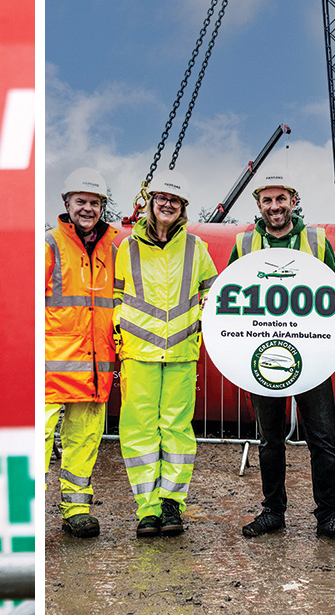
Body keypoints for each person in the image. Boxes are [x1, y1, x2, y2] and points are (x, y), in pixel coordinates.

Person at [231, 174, 335, 543]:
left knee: (322, 439)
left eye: (281, 198)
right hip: (262, 356)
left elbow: (334, 291)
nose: (275, 206)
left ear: (293, 199)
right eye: (268, 200)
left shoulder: (316, 241)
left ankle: (329, 518)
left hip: (312, 354)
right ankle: (273, 513)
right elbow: (231, 298)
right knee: (270, 440)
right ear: (258, 204)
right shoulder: (244, 243)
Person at [114, 169, 217, 537]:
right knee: (139, 430)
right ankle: (147, 508)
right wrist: (119, 329)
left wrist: (204, 324)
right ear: (150, 203)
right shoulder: (127, 247)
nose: (167, 205)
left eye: (174, 200)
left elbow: (217, 294)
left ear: (183, 207)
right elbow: (114, 295)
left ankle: (172, 504)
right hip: (138, 352)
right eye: (162, 199)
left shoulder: (196, 248)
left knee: (176, 429)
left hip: (181, 352)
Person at [44, 167, 119, 539]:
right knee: (38, 440)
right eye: (81, 202)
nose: (87, 209)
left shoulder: (115, 248)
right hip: (51, 368)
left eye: (94, 203)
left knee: (84, 441)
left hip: (94, 366)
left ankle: (76, 510)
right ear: (66, 203)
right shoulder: (49, 246)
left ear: (102, 205)